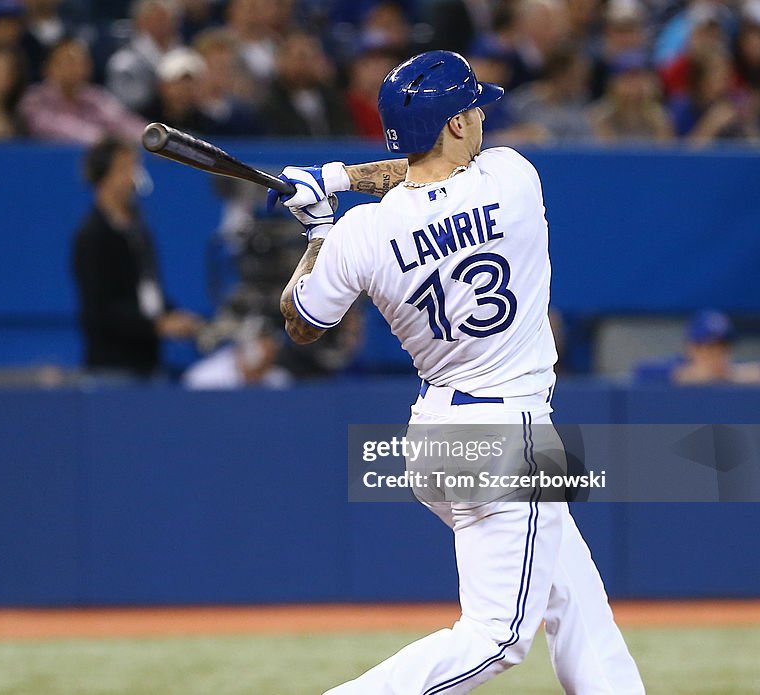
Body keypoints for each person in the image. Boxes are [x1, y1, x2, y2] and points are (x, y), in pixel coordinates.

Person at [269, 51, 645, 693]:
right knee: (498, 637)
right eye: (473, 108)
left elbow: (301, 319)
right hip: (510, 434)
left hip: (437, 434)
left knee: (572, 588)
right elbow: (425, 173)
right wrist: (340, 178)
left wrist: (320, 224)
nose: (481, 117)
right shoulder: (512, 178)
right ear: (454, 125)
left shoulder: (363, 234)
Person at [72, 138, 202, 377]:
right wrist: (157, 326)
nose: (133, 177)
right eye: (125, 168)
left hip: (147, 363)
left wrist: (172, 315)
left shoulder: (139, 229)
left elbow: (148, 287)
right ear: (103, 177)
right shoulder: (91, 236)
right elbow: (100, 309)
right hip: (111, 367)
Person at [19, 38, 144, 144]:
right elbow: (54, 128)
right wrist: (106, 139)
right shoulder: (35, 100)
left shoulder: (94, 97)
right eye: (69, 61)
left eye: (82, 61)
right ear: (49, 68)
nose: (77, 67)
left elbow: (124, 122)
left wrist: (151, 138)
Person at [634, 310, 760, 385]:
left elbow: (749, 370)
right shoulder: (677, 364)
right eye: (710, 347)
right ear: (691, 348)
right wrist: (686, 374)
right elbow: (642, 369)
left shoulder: (728, 369)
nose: (717, 354)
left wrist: (733, 374)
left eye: (723, 347)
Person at [105, 0, 181, 116]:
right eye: (155, 18)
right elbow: (123, 103)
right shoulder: (124, 61)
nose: (161, 24)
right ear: (139, 22)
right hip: (142, 123)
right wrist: (160, 90)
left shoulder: (182, 52)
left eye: (166, 18)